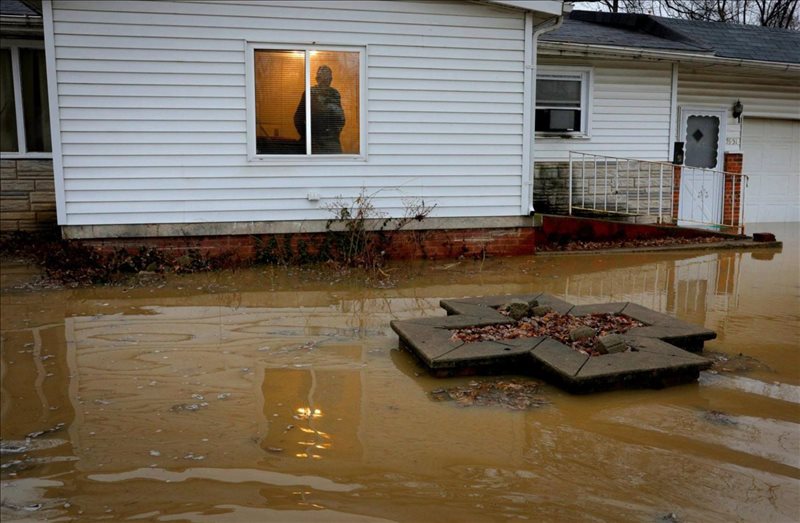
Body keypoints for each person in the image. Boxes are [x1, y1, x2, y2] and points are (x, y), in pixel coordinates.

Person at [294, 65, 345, 154]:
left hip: (331, 141)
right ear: (317, 79)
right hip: (314, 141)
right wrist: (307, 135)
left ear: (331, 80)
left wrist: (334, 133)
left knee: (336, 164)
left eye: (328, 78)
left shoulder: (334, 94)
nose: (325, 81)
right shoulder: (310, 93)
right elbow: (298, 118)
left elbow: (340, 118)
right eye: (322, 78)